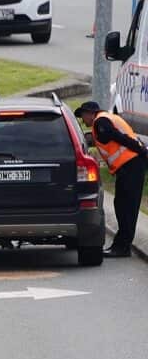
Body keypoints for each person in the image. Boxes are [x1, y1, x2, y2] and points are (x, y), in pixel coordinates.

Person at [76, 101, 146, 258]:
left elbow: (120, 138)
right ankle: (122, 245)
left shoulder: (100, 122)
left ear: (90, 113)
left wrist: (142, 150)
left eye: (83, 116)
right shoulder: (104, 120)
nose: (83, 120)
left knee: (126, 207)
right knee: (124, 205)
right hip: (130, 166)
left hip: (131, 165)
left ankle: (122, 246)